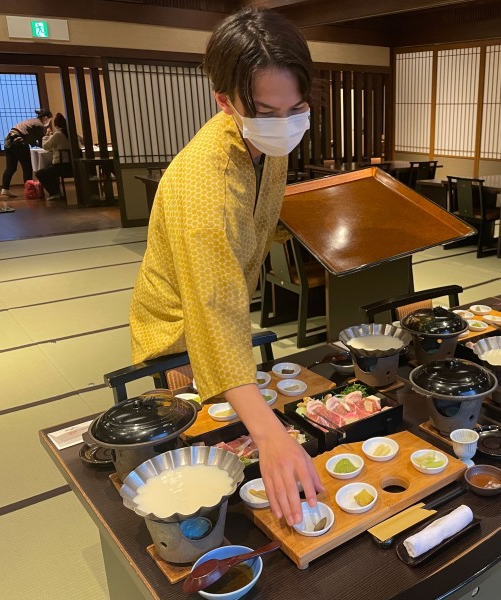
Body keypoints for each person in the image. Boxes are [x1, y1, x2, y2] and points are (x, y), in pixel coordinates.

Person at [129, 8, 321, 527]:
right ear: (224, 100)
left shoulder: (267, 142)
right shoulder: (204, 185)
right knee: (196, 475)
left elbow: (256, 220)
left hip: (222, 316)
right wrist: (271, 435)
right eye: (268, 111)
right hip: (179, 334)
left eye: (297, 109)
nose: (285, 125)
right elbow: (210, 312)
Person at [1, 109, 52, 197]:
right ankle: (29, 191)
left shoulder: (31, 121)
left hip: (9, 142)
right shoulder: (39, 124)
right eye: (49, 120)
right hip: (19, 143)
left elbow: (32, 141)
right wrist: (48, 136)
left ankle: (5, 189)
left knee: (11, 168)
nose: (49, 122)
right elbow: (42, 143)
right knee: (27, 168)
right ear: (46, 118)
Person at [35, 113, 73, 201]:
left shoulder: (58, 134)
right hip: (74, 166)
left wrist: (46, 135)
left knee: (40, 173)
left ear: (56, 126)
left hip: (61, 167)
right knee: (50, 169)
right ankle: (56, 192)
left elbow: (45, 146)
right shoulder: (72, 133)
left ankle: (55, 193)